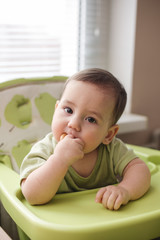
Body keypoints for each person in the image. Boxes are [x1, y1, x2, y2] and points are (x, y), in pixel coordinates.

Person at [20, 68, 151, 210]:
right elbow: (32, 195)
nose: (74, 124)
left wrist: (125, 190)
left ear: (108, 135)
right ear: (56, 109)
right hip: (58, 225)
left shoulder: (112, 149)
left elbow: (140, 170)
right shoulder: (45, 149)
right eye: (68, 110)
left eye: (90, 119)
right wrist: (59, 160)